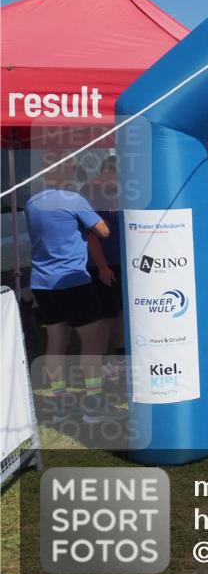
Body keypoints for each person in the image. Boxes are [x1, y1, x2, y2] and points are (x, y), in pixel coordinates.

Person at [25, 155, 124, 424]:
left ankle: (59, 405)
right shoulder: (75, 200)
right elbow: (103, 231)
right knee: (91, 343)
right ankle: (93, 405)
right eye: (70, 170)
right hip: (72, 281)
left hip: (42, 282)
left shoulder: (32, 201)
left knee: (56, 341)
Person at [79, 156, 125, 384]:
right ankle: (107, 364)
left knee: (120, 314)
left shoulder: (116, 190)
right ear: (107, 172)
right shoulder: (90, 191)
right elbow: (90, 235)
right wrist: (103, 267)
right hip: (104, 263)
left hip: (122, 260)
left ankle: (119, 361)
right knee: (107, 317)